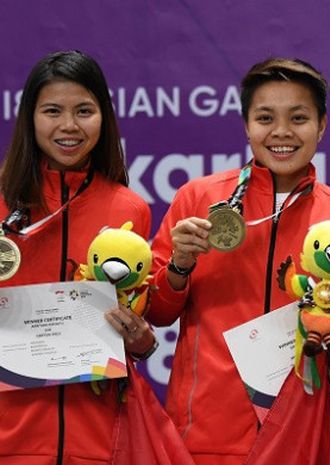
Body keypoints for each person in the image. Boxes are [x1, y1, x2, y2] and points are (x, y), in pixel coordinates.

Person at [147, 58, 330, 465]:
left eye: (299, 118)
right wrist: (179, 264)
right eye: (265, 118)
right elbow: (158, 312)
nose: (282, 132)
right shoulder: (198, 200)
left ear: (322, 125)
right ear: (247, 126)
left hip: (305, 438)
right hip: (206, 436)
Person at [0, 51, 155, 464]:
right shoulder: (0, 204)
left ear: (103, 117)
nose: (69, 126)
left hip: (100, 439)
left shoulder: (129, 210)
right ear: (30, 118)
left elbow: (139, 332)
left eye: (84, 110)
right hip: (10, 439)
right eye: (52, 110)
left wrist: (140, 340)